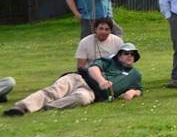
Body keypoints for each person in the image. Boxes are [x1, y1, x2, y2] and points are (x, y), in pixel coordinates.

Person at [3, 44, 143, 116]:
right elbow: (93, 68)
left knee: (81, 99)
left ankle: (45, 107)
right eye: (126, 53)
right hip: (79, 79)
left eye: (132, 54)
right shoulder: (108, 61)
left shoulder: (135, 75)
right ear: (119, 56)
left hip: (92, 93)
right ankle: (21, 107)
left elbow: (139, 89)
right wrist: (101, 81)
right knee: (54, 91)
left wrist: (133, 92)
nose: (129, 56)